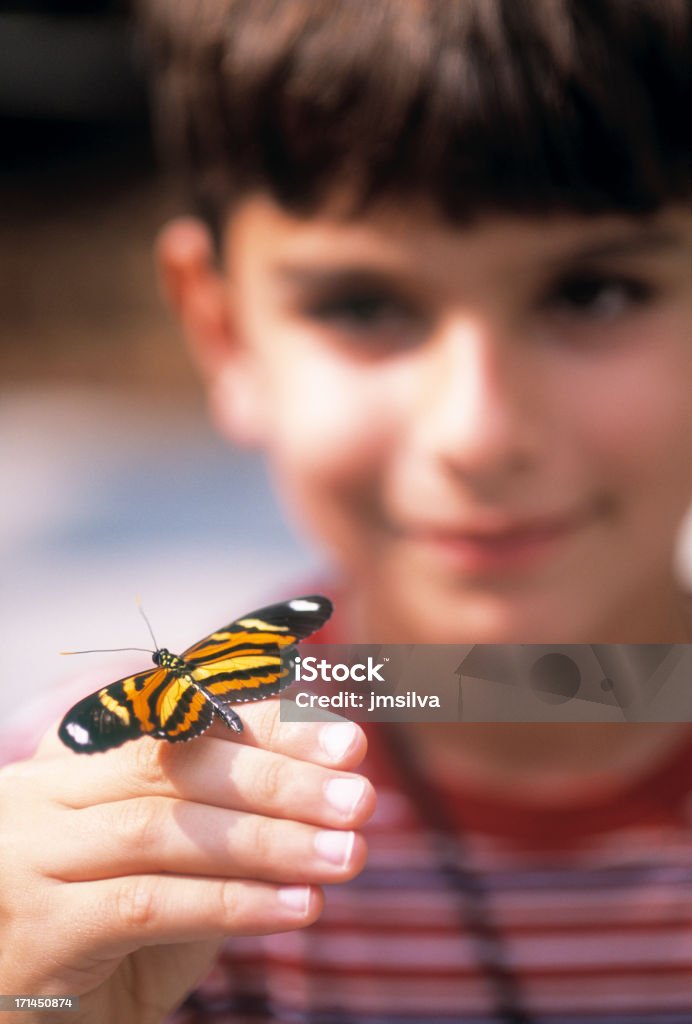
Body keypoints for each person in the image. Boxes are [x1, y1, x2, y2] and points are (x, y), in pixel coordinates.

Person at [1, 1, 690, 1021]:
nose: (478, 430)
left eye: (592, 292)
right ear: (221, 329)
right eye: (362, 305)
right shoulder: (88, 827)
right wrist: (39, 1004)